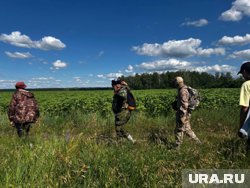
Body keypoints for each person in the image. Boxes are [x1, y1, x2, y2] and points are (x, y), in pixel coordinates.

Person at [173, 76, 201, 149]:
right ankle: (198, 143)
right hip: (186, 113)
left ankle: (177, 148)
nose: (174, 84)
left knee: (179, 130)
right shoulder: (184, 89)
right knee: (187, 130)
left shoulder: (182, 91)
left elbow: (184, 105)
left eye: (175, 82)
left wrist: (182, 117)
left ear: (177, 83)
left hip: (183, 114)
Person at [237, 62, 250, 150]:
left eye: (242, 74)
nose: (242, 76)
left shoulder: (246, 85)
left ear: (245, 72)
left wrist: (241, 126)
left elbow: (245, 107)